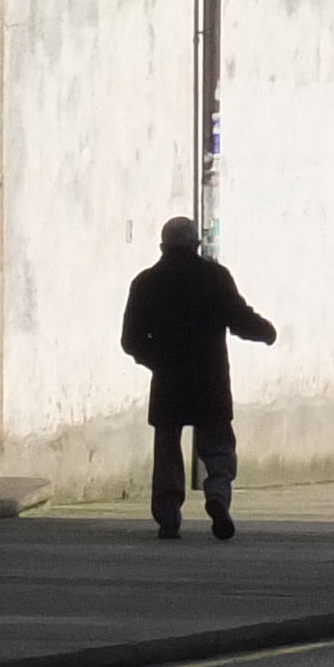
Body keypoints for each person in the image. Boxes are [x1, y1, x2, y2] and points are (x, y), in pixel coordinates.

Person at [120, 217, 276, 540]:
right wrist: (265, 332)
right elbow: (238, 318)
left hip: (168, 379)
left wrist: (156, 361)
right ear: (197, 245)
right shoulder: (214, 277)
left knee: (167, 448)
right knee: (218, 445)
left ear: (163, 247)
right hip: (211, 378)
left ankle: (168, 517)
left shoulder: (146, 282)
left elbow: (130, 339)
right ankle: (217, 496)